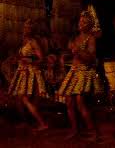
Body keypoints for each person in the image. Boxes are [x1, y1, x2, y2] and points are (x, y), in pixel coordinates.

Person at [58, 9, 103, 140]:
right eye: (80, 21)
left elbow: (91, 58)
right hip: (74, 71)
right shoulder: (76, 38)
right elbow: (71, 54)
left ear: (89, 25)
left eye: (84, 21)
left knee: (80, 103)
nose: (81, 23)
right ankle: (74, 130)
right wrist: (64, 57)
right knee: (68, 102)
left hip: (84, 72)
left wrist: (78, 51)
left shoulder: (91, 38)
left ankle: (93, 132)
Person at [8, 19, 48, 131]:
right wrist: (17, 60)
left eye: (28, 27)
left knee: (24, 98)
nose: (26, 29)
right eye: (25, 27)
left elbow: (41, 59)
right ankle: (26, 122)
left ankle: (43, 123)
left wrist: (29, 62)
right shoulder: (24, 41)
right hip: (22, 72)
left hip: (31, 73)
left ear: (32, 30)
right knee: (19, 99)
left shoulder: (33, 41)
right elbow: (24, 56)